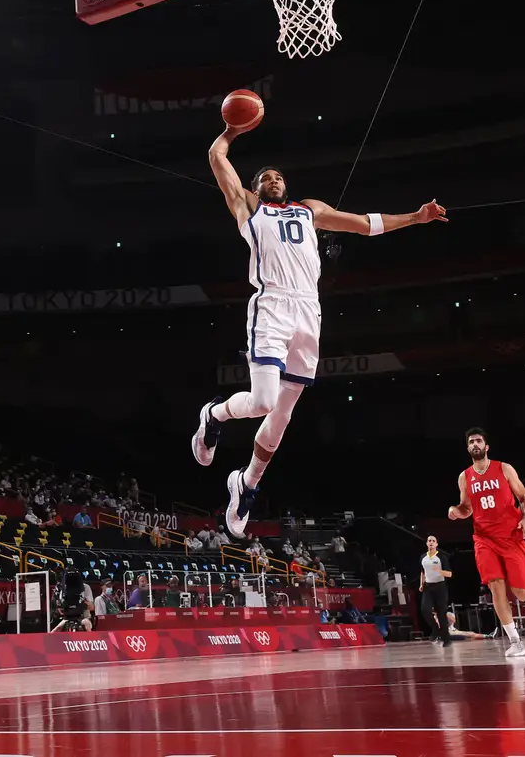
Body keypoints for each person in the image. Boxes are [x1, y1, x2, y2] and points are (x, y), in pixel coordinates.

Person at [191, 110, 446, 536]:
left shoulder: (310, 210)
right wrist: (231, 132)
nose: (273, 178)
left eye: (278, 176)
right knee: (263, 401)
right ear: (255, 189)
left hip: (309, 310)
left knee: (284, 414)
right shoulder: (248, 208)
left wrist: (415, 218)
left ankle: (246, 482)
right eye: (266, 177)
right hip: (272, 304)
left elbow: (365, 225)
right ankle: (214, 415)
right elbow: (217, 158)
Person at [448, 427, 525, 658]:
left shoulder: (503, 468)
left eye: (479, 441)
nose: (475, 444)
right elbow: (466, 508)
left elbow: (523, 497)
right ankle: (515, 640)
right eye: (471, 441)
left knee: (520, 590)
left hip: (510, 535)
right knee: (495, 586)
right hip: (483, 538)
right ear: (467, 448)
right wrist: (455, 511)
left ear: (486, 446)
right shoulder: (464, 477)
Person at [419, 536, 453, 643]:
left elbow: (450, 574)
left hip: (440, 586)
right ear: (427, 543)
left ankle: (446, 639)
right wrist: (421, 584)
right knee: (425, 610)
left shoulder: (441, 557)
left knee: (441, 613)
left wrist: (440, 571)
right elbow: (422, 572)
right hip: (428, 587)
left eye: (433, 541)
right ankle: (435, 629)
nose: (431, 543)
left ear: (436, 544)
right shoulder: (423, 557)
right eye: (429, 541)